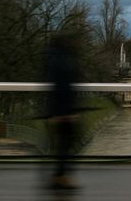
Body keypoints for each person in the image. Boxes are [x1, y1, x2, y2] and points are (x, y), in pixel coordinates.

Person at [46, 32, 82, 190]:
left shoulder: (53, 59)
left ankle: (59, 176)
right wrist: (67, 112)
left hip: (60, 110)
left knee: (63, 144)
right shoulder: (63, 60)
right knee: (66, 145)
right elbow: (63, 87)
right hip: (64, 111)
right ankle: (60, 177)